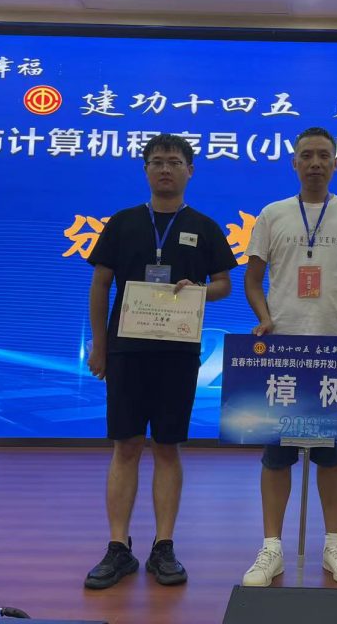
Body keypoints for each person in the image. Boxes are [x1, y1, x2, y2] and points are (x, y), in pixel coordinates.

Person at [83, 133, 237, 590]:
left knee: (167, 447)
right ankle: (118, 547)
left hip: (177, 352)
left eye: (174, 161)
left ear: (190, 170)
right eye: (156, 161)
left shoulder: (204, 226)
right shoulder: (123, 222)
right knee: (126, 445)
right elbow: (100, 285)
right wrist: (100, 344)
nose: (165, 168)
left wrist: (199, 291)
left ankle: (163, 546)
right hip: (126, 351)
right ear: (146, 170)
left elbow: (225, 284)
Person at [240, 126, 337, 588]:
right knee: (276, 454)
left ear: (336, 163)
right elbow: (252, 280)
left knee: (330, 454)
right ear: (294, 162)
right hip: (284, 351)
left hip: (334, 349)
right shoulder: (273, 214)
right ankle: (271, 548)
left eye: (323, 156)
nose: (315, 163)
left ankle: (334, 544)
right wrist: (264, 318)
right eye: (307, 155)